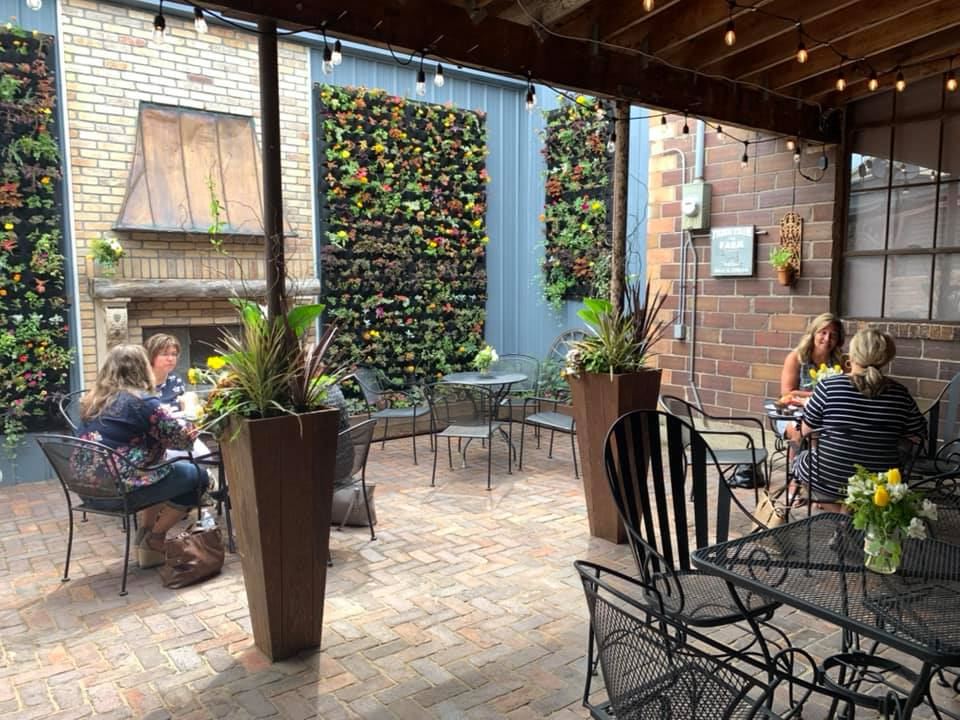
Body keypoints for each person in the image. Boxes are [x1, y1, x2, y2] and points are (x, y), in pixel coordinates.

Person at [76, 344, 209, 569]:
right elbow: (181, 441)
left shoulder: (94, 400)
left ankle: (145, 536)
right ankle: (155, 538)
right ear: (142, 368)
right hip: (119, 493)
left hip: (88, 491)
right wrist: (191, 429)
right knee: (198, 477)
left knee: (157, 465)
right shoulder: (142, 402)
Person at [792, 327, 925, 505]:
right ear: (886, 358)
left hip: (827, 476)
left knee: (800, 460)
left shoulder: (828, 387)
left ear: (852, 355)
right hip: (879, 483)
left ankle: (837, 512)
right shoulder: (900, 394)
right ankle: (850, 511)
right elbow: (918, 433)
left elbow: (806, 431)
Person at [778, 313, 847, 443]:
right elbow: (787, 393)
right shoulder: (796, 358)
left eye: (833, 335)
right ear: (813, 333)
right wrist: (819, 395)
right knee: (802, 432)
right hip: (794, 413)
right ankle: (799, 456)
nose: (827, 338)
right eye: (823, 333)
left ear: (838, 339)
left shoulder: (840, 361)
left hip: (827, 415)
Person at [144, 333, 185, 406]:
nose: (170, 359)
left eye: (174, 354)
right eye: (164, 354)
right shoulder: (137, 383)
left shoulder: (176, 381)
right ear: (151, 355)